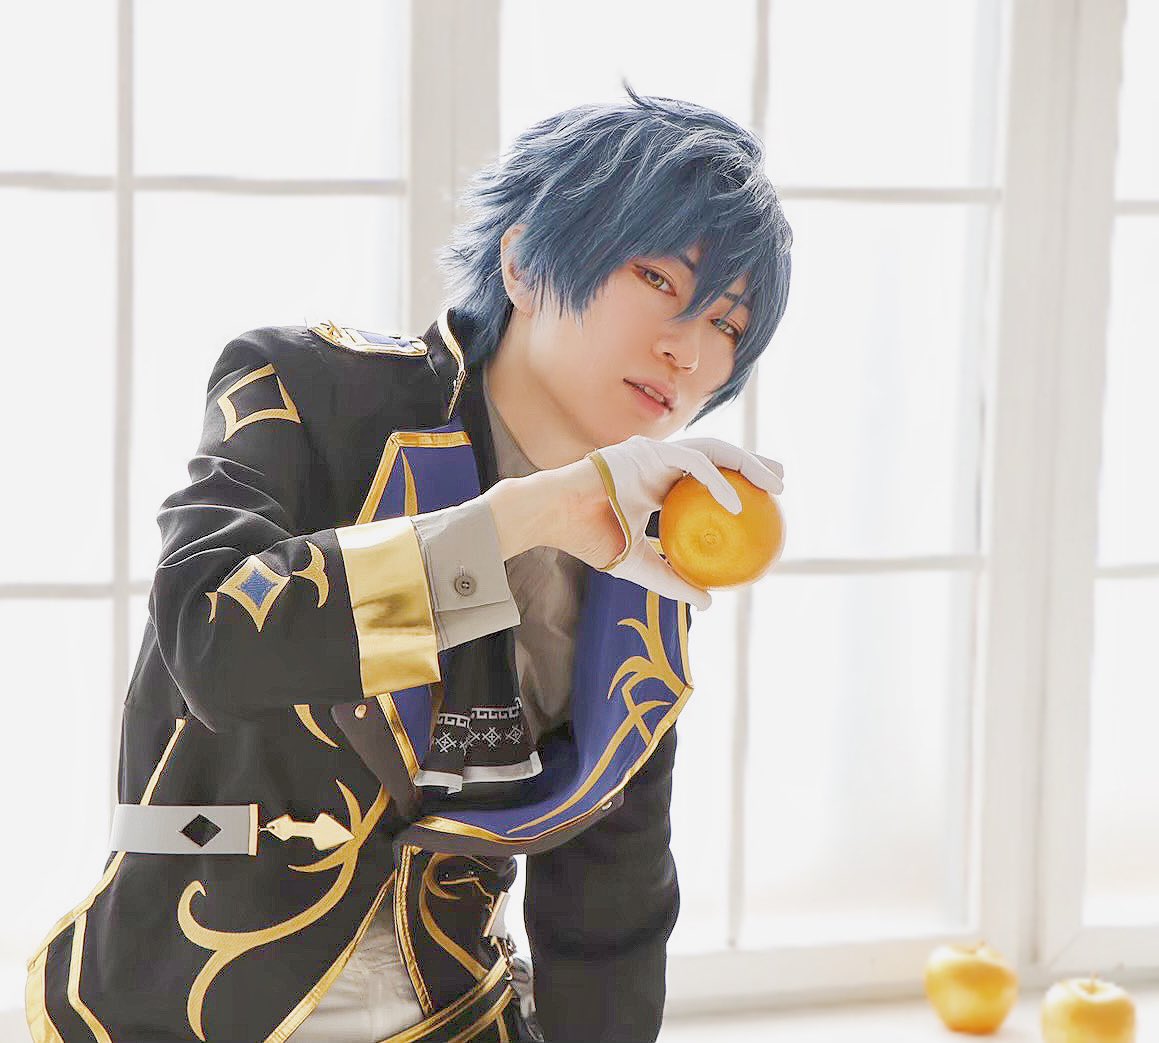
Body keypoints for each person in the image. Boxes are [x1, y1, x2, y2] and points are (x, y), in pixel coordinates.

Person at [25, 84, 792, 1043]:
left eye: (727, 325)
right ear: (522, 263)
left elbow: (609, 905)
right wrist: (521, 518)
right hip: (176, 1004)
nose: (687, 348)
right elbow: (212, 638)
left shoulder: (647, 568)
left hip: (455, 1015)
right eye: (657, 279)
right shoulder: (304, 387)